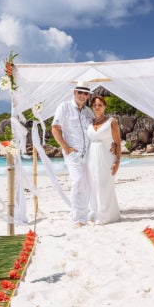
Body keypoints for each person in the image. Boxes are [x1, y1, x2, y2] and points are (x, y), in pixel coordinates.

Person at [52, 81, 96, 227]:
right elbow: (55, 128)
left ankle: (84, 214)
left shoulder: (88, 111)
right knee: (77, 182)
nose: (83, 95)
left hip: (88, 154)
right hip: (73, 154)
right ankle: (78, 218)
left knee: (88, 185)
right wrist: (66, 148)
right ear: (74, 92)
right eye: (80, 92)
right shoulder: (64, 107)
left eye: (86, 93)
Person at [87, 94, 122, 224]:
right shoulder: (90, 122)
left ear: (104, 107)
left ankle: (106, 216)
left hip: (106, 158)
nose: (97, 107)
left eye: (100, 105)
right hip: (91, 158)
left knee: (104, 184)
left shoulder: (111, 122)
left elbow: (118, 143)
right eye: (95, 105)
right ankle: (97, 212)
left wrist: (117, 161)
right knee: (94, 185)